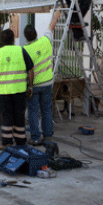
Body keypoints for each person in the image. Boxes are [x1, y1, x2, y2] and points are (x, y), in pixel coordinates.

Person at [0, 29, 34, 150]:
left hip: (3, 91)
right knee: (19, 115)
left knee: (6, 116)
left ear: (2, 40)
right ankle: (21, 142)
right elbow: (30, 70)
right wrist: (30, 86)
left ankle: (6, 142)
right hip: (19, 90)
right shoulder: (20, 50)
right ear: (13, 39)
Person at [23, 9, 61, 146]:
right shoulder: (46, 41)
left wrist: (29, 86)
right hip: (47, 83)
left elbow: (26, 71)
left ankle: (35, 138)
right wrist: (57, 14)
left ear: (25, 37)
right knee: (46, 110)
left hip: (34, 86)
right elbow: (52, 26)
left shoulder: (25, 50)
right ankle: (48, 136)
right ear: (36, 34)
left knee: (33, 111)